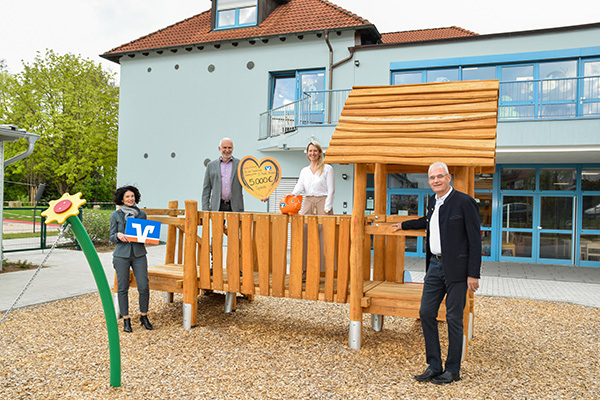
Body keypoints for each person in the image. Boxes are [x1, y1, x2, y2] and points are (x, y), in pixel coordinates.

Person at [392, 162, 481, 384]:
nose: (436, 181)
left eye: (440, 176)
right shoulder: (433, 201)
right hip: (434, 266)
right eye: (432, 178)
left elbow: (475, 240)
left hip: (458, 270)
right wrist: (404, 225)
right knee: (425, 312)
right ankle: (434, 365)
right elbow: (427, 222)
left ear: (449, 178)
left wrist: (473, 274)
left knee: (453, 318)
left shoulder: (464, 202)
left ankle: (452, 370)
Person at [109, 185, 153, 333]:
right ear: (122, 199)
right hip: (121, 255)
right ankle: (126, 319)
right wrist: (118, 236)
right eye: (127, 196)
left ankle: (144, 316)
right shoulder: (116, 215)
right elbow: (111, 237)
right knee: (122, 288)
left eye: (132, 196)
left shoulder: (142, 214)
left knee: (144, 286)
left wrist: (147, 239)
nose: (130, 199)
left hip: (139, 254)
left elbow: (145, 233)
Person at [291, 140, 335, 215]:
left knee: (323, 226)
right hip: (308, 201)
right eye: (310, 151)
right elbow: (300, 185)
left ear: (320, 153)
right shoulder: (304, 171)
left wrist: (327, 208)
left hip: (322, 202)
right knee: (304, 225)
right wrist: (292, 195)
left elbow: (331, 191)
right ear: (307, 153)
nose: (312, 153)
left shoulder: (327, 169)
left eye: (315, 151)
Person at [202, 137, 244, 213]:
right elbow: (206, 189)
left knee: (234, 225)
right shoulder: (211, 166)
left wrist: (262, 195)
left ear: (233, 148)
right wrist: (205, 209)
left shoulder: (240, 164)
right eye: (224, 147)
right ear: (219, 149)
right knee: (217, 226)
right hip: (217, 207)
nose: (227, 150)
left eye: (229, 148)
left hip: (235, 207)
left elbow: (249, 183)